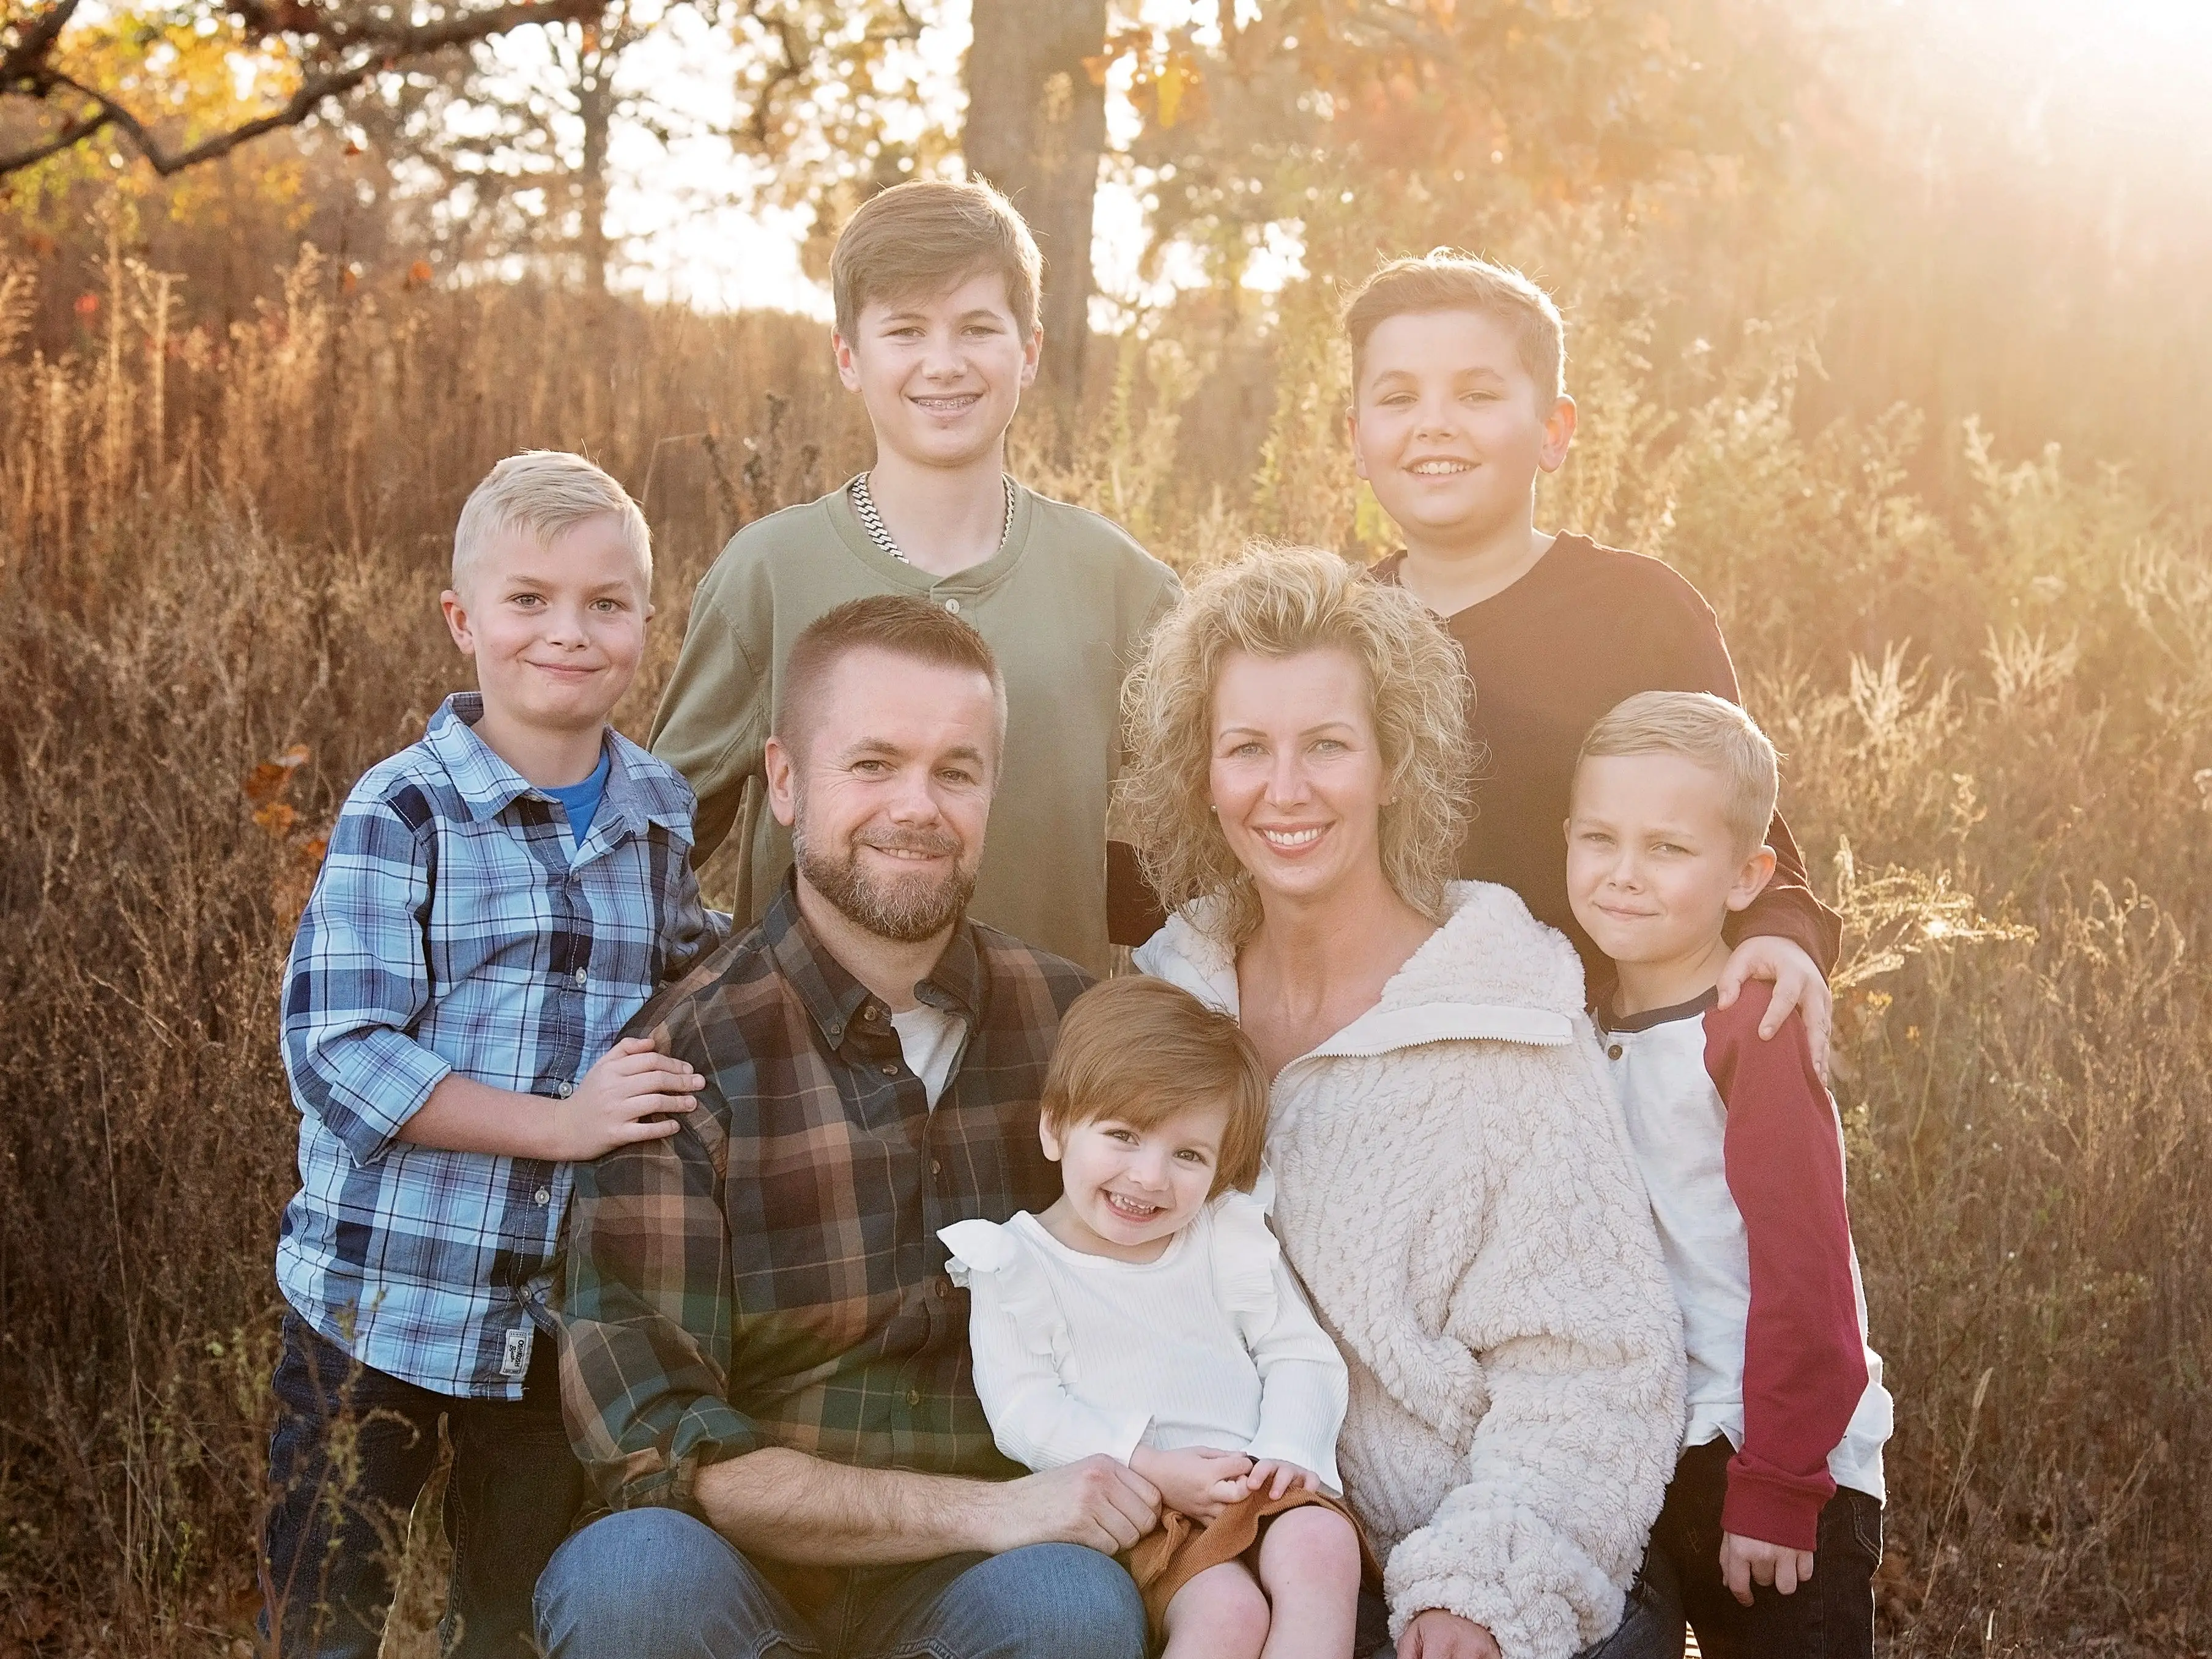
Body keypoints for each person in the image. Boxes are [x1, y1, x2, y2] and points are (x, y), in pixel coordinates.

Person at [537, 595, 1153, 1658]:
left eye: (955, 771)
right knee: (629, 1577)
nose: (916, 805)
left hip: (986, 1595)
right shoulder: (677, 1065)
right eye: (872, 764)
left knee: (1071, 1608)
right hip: (738, 1589)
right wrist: (990, 1511)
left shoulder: (1071, 1030)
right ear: (784, 780)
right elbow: (658, 1444)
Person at [1121, 545, 1687, 1659]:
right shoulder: (1165, 997)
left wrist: (1474, 1589)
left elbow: (1597, 1368)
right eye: (1247, 749)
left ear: (1391, 764)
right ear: (1203, 773)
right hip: (1245, 1561)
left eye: (1327, 744)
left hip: (1493, 1543)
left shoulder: (1501, 1014)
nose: (1285, 791)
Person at [261, 451, 720, 1657]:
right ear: (463, 621)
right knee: (327, 1614)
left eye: (604, 604)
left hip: (550, 1329)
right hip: (376, 1313)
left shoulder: (660, 812)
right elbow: (339, 1052)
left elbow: (689, 976)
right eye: (528, 601)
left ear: (644, 625)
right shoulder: (401, 810)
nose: (566, 633)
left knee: (514, 1618)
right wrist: (559, 1125)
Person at [648, 176, 1180, 976]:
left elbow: (1221, 820)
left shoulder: (1120, 584)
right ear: (849, 358)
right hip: (808, 1078)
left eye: (977, 328)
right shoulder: (768, 573)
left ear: (1028, 352)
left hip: (1048, 1074)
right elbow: (654, 851)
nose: (944, 363)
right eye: (905, 330)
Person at [1340, 251, 1844, 1069]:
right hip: (1379, 1060)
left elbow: (1745, 823)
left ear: (1553, 432)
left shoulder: (1639, 614)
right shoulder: (1335, 632)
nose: (1435, 424)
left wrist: (1785, 936)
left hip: (1596, 1066)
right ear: (1357, 440)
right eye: (1399, 398)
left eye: (1477, 394)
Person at [1564, 692, 1891, 1659]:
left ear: (1750, 876)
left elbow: (1809, 1275)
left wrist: (1782, 1484)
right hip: (1656, 1452)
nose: (1624, 875)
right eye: (1599, 839)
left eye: (1669, 849)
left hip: (1778, 1460)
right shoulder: (1578, 1021)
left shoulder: (1751, 1026)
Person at [943, 974, 1370, 1659]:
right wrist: (1144, 1465)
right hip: (1145, 1506)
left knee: (1323, 1544)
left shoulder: (1222, 1236)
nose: (1149, 1177)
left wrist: (1289, 1450)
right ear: (1055, 1128)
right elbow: (1024, 1410)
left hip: (1260, 1474)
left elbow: (1298, 1352)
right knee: (1226, 1613)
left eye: (1188, 1155)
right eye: (1124, 1135)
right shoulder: (1016, 1264)